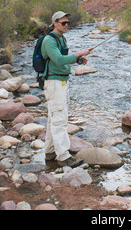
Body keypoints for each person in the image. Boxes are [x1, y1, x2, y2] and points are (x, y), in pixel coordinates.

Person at [41, 11, 93, 168]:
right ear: (55, 23)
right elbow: (58, 59)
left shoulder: (61, 39)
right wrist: (79, 53)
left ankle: (50, 152)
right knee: (60, 119)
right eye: (63, 23)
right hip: (54, 83)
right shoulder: (49, 40)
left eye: (67, 22)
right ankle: (63, 157)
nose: (66, 25)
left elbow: (61, 61)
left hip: (61, 82)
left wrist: (76, 59)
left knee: (53, 118)